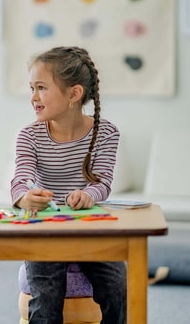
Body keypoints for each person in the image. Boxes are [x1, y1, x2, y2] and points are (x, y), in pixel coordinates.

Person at [10, 46, 126, 324]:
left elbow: (103, 182)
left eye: (41, 88)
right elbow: (20, 179)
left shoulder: (106, 133)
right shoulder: (29, 135)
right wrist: (26, 197)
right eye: (31, 88)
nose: (33, 98)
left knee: (118, 286)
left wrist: (87, 195)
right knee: (46, 297)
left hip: (90, 231)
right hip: (46, 232)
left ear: (74, 94)